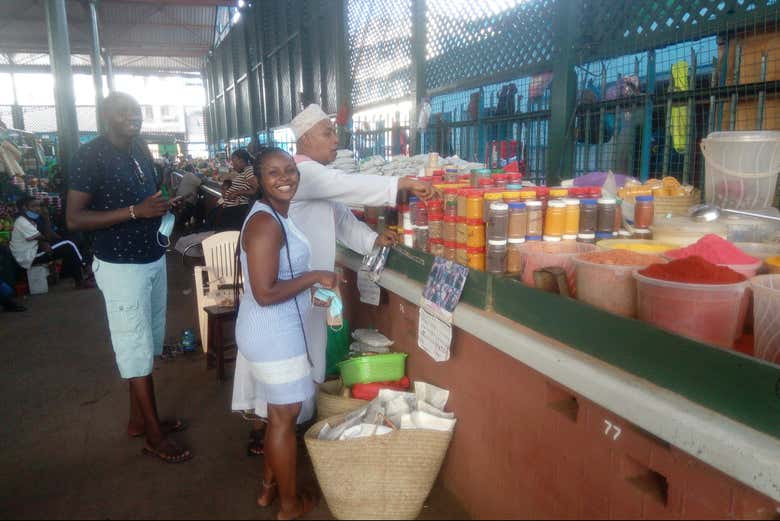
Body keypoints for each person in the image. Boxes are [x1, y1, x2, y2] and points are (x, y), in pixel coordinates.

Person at [231, 105, 431, 446]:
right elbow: (349, 185)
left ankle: (283, 425)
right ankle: (274, 429)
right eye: (327, 133)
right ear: (306, 138)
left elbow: (340, 218)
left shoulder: (315, 177)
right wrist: (400, 183)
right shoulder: (305, 173)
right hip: (292, 289)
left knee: (304, 355)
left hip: (308, 287)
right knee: (290, 362)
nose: (335, 140)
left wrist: (372, 239)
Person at [66, 91, 192, 464]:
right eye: (123, 112)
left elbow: (144, 197)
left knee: (148, 342)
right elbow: (74, 218)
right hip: (121, 267)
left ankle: (139, 420)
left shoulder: (139, 149)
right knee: (134, 348)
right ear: (106, 117)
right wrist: (136, 212)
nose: (132, 117)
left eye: (136, 111)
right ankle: (153, 436)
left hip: (151, 256)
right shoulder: (90, 156)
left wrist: (160, 204)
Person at [236, 147, 332, 519]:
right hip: (272, 332)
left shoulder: (277, 215)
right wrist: (315, 276)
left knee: (278, 413)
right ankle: (289, 506)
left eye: (290, 170)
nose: (285, 177)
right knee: (284, 417)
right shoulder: (265, 224)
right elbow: (265, 293)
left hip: (274, 331)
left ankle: (268, 490)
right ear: (259, 180)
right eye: (273, 172)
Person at [10, 197, 93, 289]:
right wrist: (46, 241)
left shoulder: (34, 219)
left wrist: (46, 219)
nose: (38, 208)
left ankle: (81, 275)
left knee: (73, 240)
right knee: (69, 244)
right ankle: (85, 272)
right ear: (24, 208)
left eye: (39, 206)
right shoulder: (21, 221)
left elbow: (50, 235)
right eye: (34, 206)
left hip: (35, 250)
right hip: (28, 256)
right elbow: (44, 237)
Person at [218, 149, 258, 230]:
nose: (232, 165)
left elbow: (257, 190)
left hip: (238, 210)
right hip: (233, 209)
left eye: (234, 161)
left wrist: (237, 192)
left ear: (241, 161)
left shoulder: (249, 170)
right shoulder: (244, 172)